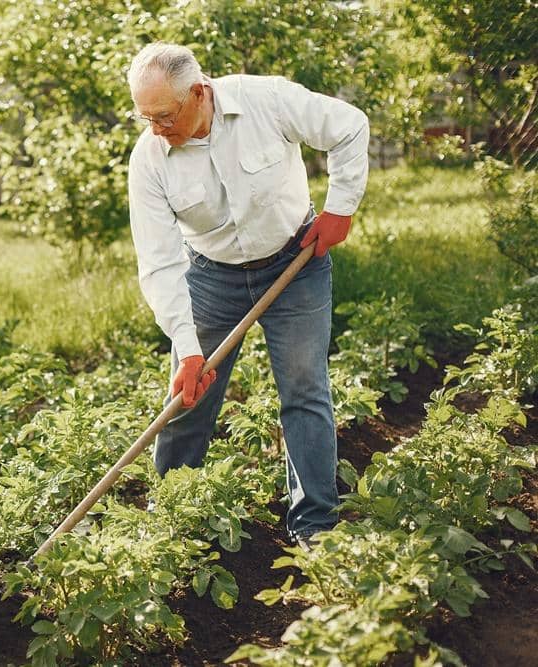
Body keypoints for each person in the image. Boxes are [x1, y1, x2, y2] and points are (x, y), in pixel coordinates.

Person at [126, 42, 369, 546]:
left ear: (199, 92)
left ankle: (315, 526)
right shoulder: (149, 159)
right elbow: (160, 261)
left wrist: (340, 208)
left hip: (295, 261)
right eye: (144, 116)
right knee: (189, 394)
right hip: (211, 277)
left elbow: (349, 125)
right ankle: (170, 516)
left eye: (164, 115)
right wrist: (189, 350)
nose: (155, 128)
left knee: (304, 390)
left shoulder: (265, 101)